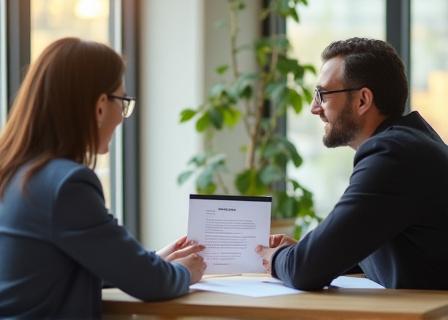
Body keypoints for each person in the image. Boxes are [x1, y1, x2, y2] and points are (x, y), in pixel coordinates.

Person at [0, 37, 206, 318]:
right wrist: (185, 272)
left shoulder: (16, 172)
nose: (122, 117)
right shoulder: (66, 185)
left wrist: (155, 260)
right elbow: (152, 284)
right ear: (99, 107)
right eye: (122, 102)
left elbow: (71, 264)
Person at [256, 37, 448, 290]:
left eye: (322, 94)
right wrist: (303, 253)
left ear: (362, 101)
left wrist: (278, 258)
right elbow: (373, 241)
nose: (315, 108)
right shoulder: (411, 144)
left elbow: (303, 272)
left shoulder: (393, 155)